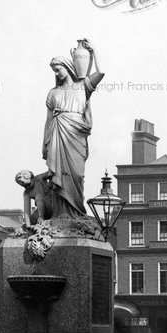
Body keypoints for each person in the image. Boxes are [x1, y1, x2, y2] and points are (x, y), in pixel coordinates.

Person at [42, 38, 104, 217]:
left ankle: (76, 213)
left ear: (68, 67)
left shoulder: (83, 87)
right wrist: (45, 143)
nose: (56, 73)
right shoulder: (53, 93)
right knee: (58, 175)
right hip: (57, 132)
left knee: (76, 175)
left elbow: (102, 72)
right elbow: (47, 121)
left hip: (75, 133)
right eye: (54, 71)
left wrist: (94, 52)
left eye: (58, 69)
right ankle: (60, 214)